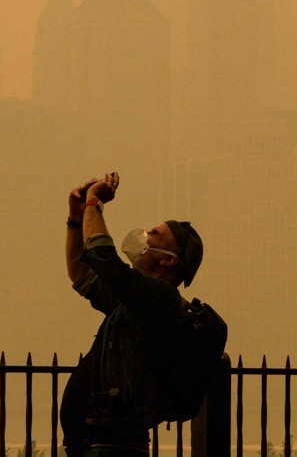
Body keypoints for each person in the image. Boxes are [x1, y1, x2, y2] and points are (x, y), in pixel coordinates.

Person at [61, 171, 204, 457]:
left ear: (168, 258)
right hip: (94, 443)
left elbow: (102, 257)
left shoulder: (159, 299)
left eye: (155, 234)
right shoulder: (136, 301)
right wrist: (76, 218)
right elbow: (82, 273)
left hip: (114, 446)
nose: (144, 235)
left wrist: (93, 204)